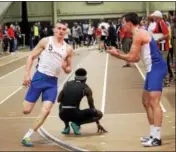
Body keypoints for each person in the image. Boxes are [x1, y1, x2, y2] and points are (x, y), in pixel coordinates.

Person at [106, 12, 167, 147]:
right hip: (152, 68)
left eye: (122, 23)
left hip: (156, 68)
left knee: (153, 101)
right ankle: (152, 133)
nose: (122, 26)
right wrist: (121, 54)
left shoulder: (139, 34)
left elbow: (132, 58)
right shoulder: (138, 33)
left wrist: (117, 55)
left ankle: (157, 138)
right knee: (145, 101)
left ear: (128, 23)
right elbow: (138, 58)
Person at [21, 22, 73, 147]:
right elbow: (31, 57)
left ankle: (27, 136)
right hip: (39, 78)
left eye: (63, 29)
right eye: (59, 28)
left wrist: (65, 68)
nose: (61, 31)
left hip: (52, 83)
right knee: (26, 110)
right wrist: (27, 74)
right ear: (54, 30)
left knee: (46, 111)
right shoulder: (45, 41)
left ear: (66, 31)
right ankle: (33, 99)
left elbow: (69, 68)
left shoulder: (68, 49)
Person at [58, 68, 107, 135]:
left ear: (75, 77)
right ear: (85, 79)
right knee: (99, 114)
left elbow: (58, 99)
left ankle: (66, 127)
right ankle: (77, 123)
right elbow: (92, 107)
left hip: (62, 115)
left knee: (61, 105)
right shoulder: (86, 88)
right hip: (75, 115)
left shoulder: (67, 84)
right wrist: (98, 123)